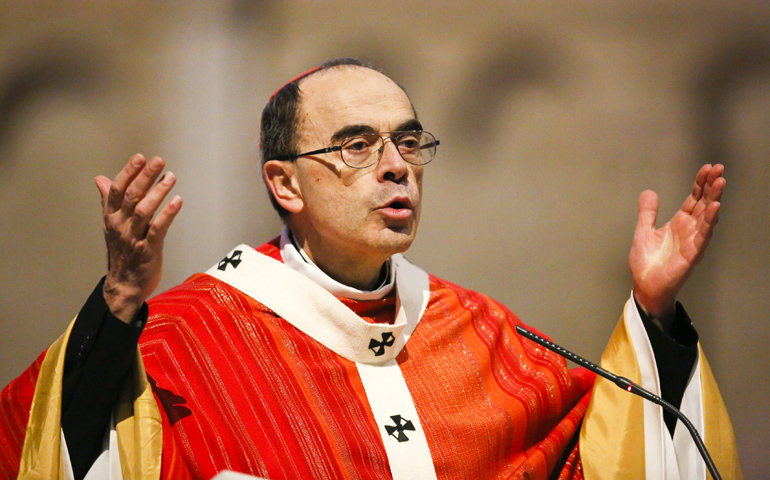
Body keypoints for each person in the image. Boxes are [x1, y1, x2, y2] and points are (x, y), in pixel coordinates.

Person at [0, 58, 742, 479]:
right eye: (357, 145)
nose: (397, 169)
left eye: (409, 143)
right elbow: (54, 446)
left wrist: (654, 317)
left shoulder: (483, 335)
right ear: (284, 184)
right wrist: (121, 298)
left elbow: (617, 454)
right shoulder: (187, 339)